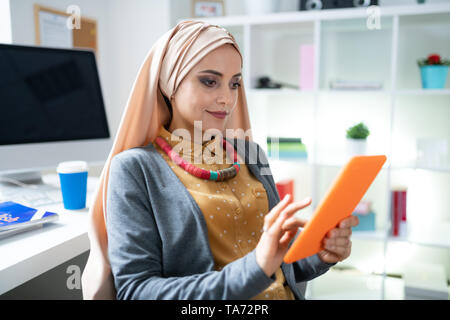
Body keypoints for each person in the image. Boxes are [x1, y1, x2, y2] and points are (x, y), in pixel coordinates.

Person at [81, 20, 359, 300]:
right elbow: (136, 291)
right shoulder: (135, 169)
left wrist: (320, 254)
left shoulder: (251, 154)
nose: (227, 98)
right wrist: (255, 268)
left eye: (235, 83)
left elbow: (282, 267)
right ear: (170, 83)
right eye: (209, 81)